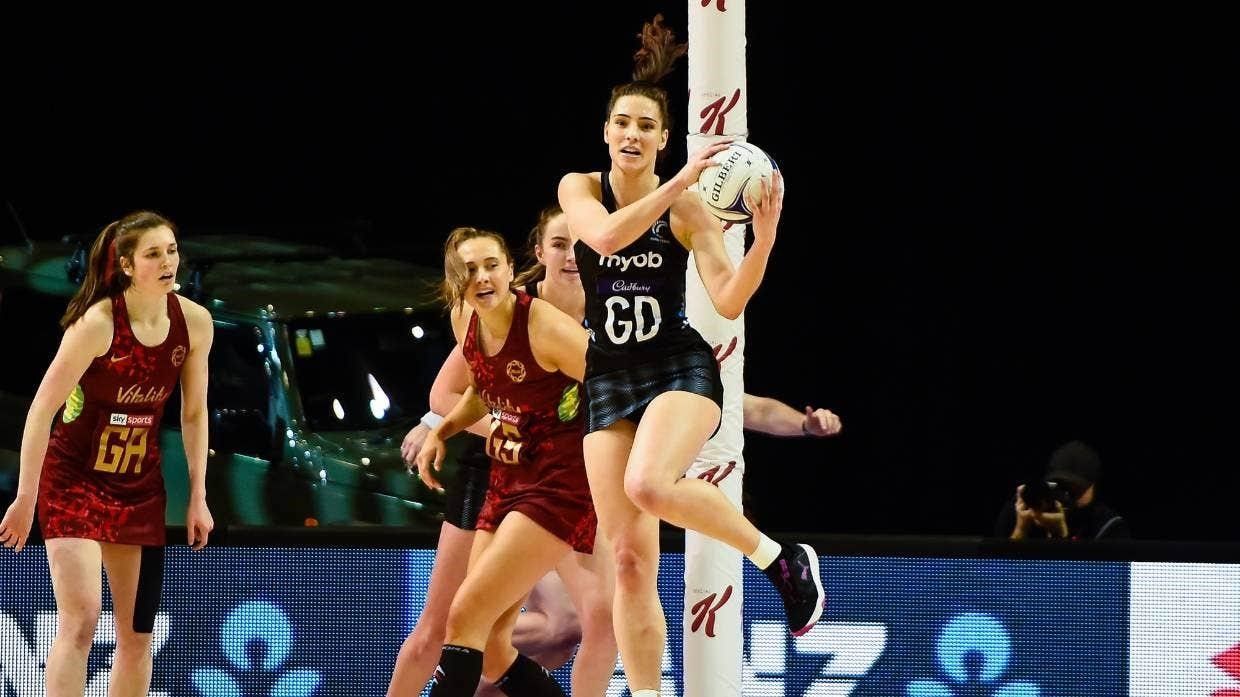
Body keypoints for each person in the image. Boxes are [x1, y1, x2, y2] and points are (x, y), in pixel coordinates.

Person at [557, 15, 822, 696]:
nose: (633, 135)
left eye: (646, 126)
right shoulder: (580, 189)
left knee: (648, 484)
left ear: (664, 138)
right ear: (606, 132)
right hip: (608, 374)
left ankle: (779, 558)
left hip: (677, 366)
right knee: (627, 560)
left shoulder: (692, 210)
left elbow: (729, 300)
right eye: (623, 123)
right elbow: (609, 240)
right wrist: (681, 185)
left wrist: (761, 240)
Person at [389, 210, 616, 697]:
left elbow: (618, 390)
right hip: (505, 476)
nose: (482, 277)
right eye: (469, 270)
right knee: (490, 643)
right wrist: (443, 428)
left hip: (560, 481)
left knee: (469, 617)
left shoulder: (549, 327)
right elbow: (477, 387)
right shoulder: (466, 319)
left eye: (490, 265)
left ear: (511, 269)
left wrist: (632, 468)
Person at [0, 210, 215, 697]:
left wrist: (197, 495)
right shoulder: (97, 325)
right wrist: (26, 496)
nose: (168, 262)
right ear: (125, 265)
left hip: (139, 491)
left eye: (172, 250)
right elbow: (41, 412)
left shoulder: (195, 324)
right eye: (154, 254)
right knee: (81, 621)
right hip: (74, 482)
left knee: (138, 637)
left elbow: (195, 414)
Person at [994, 440, 1130, 540]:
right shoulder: (1021, 510)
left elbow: (1099, 578)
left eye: (1076, 490)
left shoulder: (1108, 526)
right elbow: (993, 577)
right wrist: (1021, 530)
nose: (1065, 495)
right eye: (1059, 486)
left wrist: (1061, 536)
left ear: (1093, 488)